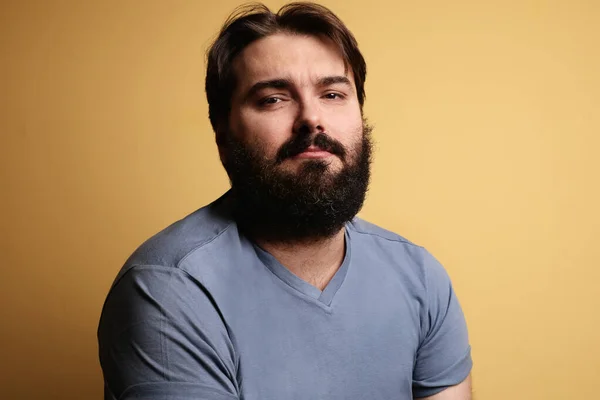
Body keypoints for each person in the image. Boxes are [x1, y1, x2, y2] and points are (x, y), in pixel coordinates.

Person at [97, 2, 473, 399]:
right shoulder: (168, 290)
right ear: (223, 135)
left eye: (332, 93)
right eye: (273, 99)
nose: (312, 118)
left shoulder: (420, 276)